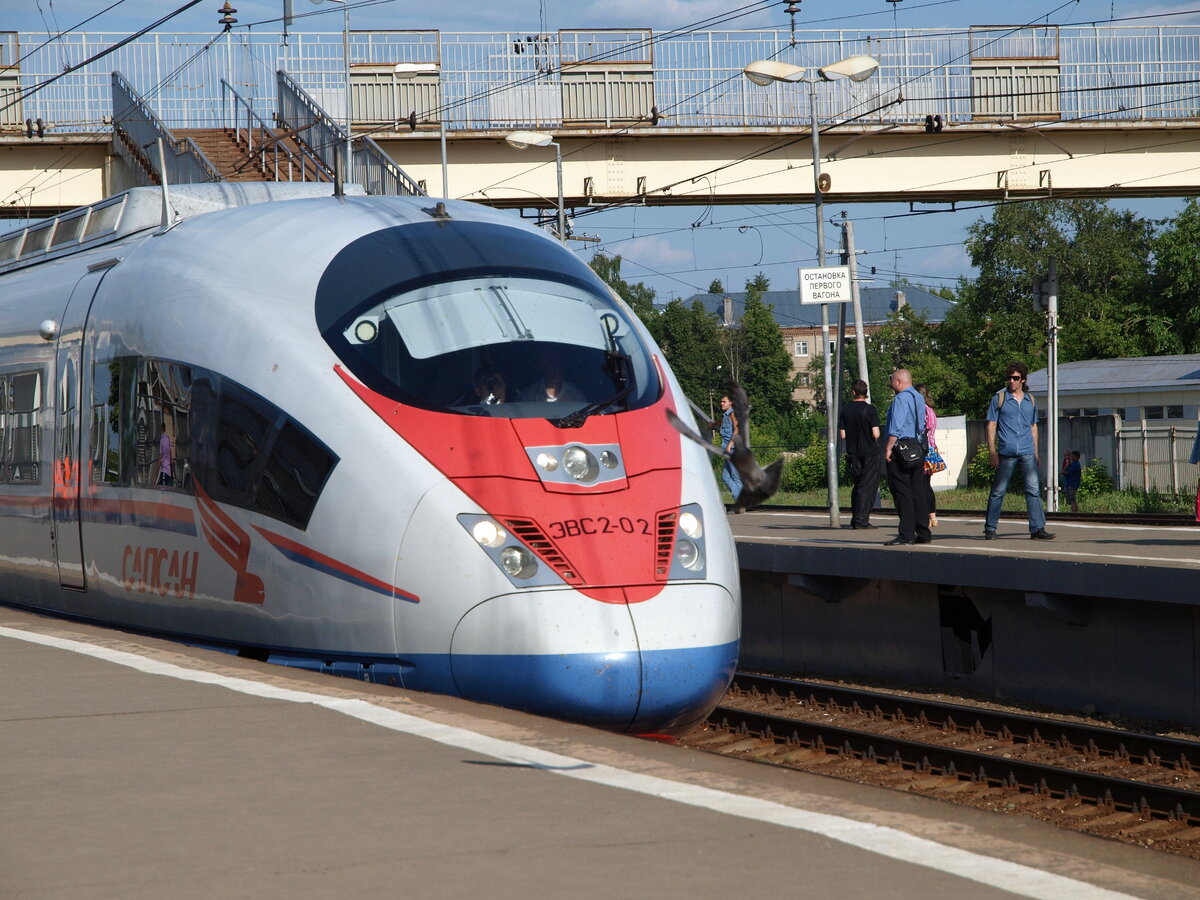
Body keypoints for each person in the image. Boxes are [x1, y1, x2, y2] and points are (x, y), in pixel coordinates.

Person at [984, 361, 1054, 540]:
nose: (1011, 381)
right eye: (1009, 378)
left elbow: (1033, 426)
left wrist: (1036, 452)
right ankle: (990, 528)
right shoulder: (999, 398)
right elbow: (991, 425)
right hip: (1006, 451)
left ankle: (1037, 528)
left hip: (1027, 451)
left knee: (1033, 490)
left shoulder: (1030, 400)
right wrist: (992, 451)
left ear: (1022, 379)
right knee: (998, 491)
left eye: (1015, 378)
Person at [883, 369, 931, 546]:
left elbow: (896, 426)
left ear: (898, 381)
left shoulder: (901, 399)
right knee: (917, 490)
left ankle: (906, 533)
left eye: (891, 381)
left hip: (900, 448)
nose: (890, 384)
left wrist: (888, 448)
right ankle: (923, 532)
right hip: (916, 447)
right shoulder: (918, 397)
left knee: (901, 490)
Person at [838, 379, 881, 529]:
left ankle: (855, 517)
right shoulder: (870, 410)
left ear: (853, 392)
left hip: (852, 453)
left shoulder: (845, 410)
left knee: (857, 485)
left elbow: (842, 434)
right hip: (869, 452)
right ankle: (861, 520)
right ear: (865, 392)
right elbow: (876, 433)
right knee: (866, 485)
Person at [520, 348, 584, 403]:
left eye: (559, 362)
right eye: (551, 363)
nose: (556, 368)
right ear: (543, 366)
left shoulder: (576, 396)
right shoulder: (528, 396)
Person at [915, 383, 939, 529]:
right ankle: (933, 515)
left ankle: (924, 516)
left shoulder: (921, 411)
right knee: (927, 484)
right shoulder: (931, 410)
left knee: (920, 485)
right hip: (932, 449)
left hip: (921, 449)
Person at [717, 392, 743, 504]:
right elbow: (721, 422)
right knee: (725, 477)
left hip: (733, 449)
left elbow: (737, 430)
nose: (721, 403)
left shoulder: (733, 414)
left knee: (735, 475)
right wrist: (712, 425)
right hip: (728, 449)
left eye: (724, 402)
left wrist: (729, 445)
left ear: (731, 403)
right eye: (721, 401)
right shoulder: (726, 415)